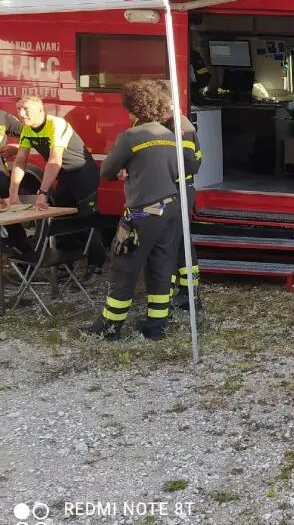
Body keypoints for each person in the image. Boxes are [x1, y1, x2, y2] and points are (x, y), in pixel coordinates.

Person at [80, 81, 195, 341]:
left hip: (142, 212)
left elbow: (107, 171)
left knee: (124, 264)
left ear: (134, 109)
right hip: (171, 208)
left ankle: (110, 327)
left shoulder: (131, 137)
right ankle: (156, 326)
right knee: (162, 265)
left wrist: (127, 169)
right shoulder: (171, 135)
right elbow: (184, 167)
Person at [1, 95, 105, 277]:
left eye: (26, 109)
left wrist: (43, 191)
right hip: (64, 174)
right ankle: (66, 265)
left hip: (83, 172)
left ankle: (96, 264)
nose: (21, 113)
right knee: (61, 220)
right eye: (18, 109)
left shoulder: (56, 124)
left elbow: (54, 160)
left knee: (87, 218)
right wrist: (13, 192)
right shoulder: (27, 130)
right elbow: (20, 161)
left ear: (40, 109)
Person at [156, 80, 202, 313]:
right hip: (172, 191)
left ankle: (188, 294)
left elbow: (191, 164)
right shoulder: (164, 123)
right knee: (177, 243)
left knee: (178, 243)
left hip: (180, 191)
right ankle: (182, 292)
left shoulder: (180, 126)